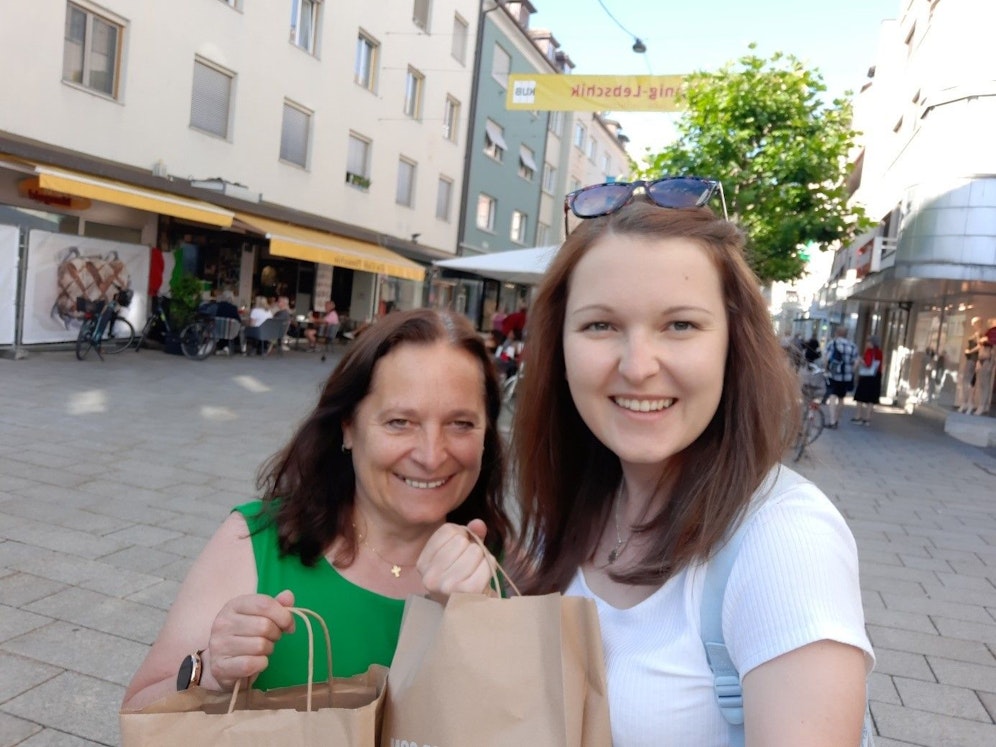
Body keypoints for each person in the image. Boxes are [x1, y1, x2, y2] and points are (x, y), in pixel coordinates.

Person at [505, 193, 874, 745]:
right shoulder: (578, 504)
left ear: (733, 344)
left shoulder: (785, 540)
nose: (637, 367)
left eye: (679, 325)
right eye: (600, 325)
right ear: (558, 347)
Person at [122, 309, 512, 711]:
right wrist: (210, 672)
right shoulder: (256, 544)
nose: (431, 456)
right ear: (348, 426)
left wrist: (476, 621)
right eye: (400, 422)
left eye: (461, 424)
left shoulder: (504, 572)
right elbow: (137, 713)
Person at [824, 325, 859, 429]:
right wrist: (851, 371)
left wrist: (826, 369)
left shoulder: (832, 343)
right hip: (846, 376)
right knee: (841, 398)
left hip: (834, 374)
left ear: (836, 333)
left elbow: (826, 358)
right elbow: (856, 362)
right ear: (846, 334)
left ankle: (832, 420)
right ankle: (837, 419)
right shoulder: (852, 346)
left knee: (832, 396)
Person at [851, 336, 884, 425]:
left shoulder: (869, 351)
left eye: (868, 342)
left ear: (871, 343)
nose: (866, 343)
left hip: (867, 377)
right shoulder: (879, 352)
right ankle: (867, 418)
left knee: (860, 397)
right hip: (876, 376)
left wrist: (860, 360)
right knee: (871, 398)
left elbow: (867, 364)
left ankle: (858, 416)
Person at [957, 316, 984, 413]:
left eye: (974, 323)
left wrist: (970, 351)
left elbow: (980, 346)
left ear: (977, 323)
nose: (972, 325)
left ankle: (969, 403)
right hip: (970, 359)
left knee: (969, 382)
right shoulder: (976, 334)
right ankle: (966, 403)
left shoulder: (979, 334)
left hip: (973, 359)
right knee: (966, 381)